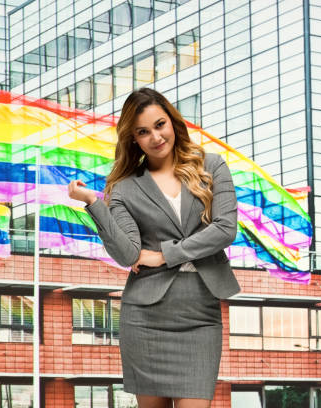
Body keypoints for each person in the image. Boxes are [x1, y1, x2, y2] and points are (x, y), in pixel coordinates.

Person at [68, 88, 240, 408]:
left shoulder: (212, 166)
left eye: (160, 125)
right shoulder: (123, 186)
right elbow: (127, 254)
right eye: (143, 132)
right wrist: (93, 202)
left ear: (173, 122)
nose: (156, 137)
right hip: (145, 316)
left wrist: (165, 254)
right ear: (132, 138)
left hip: (200, 313)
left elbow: (225, 230)